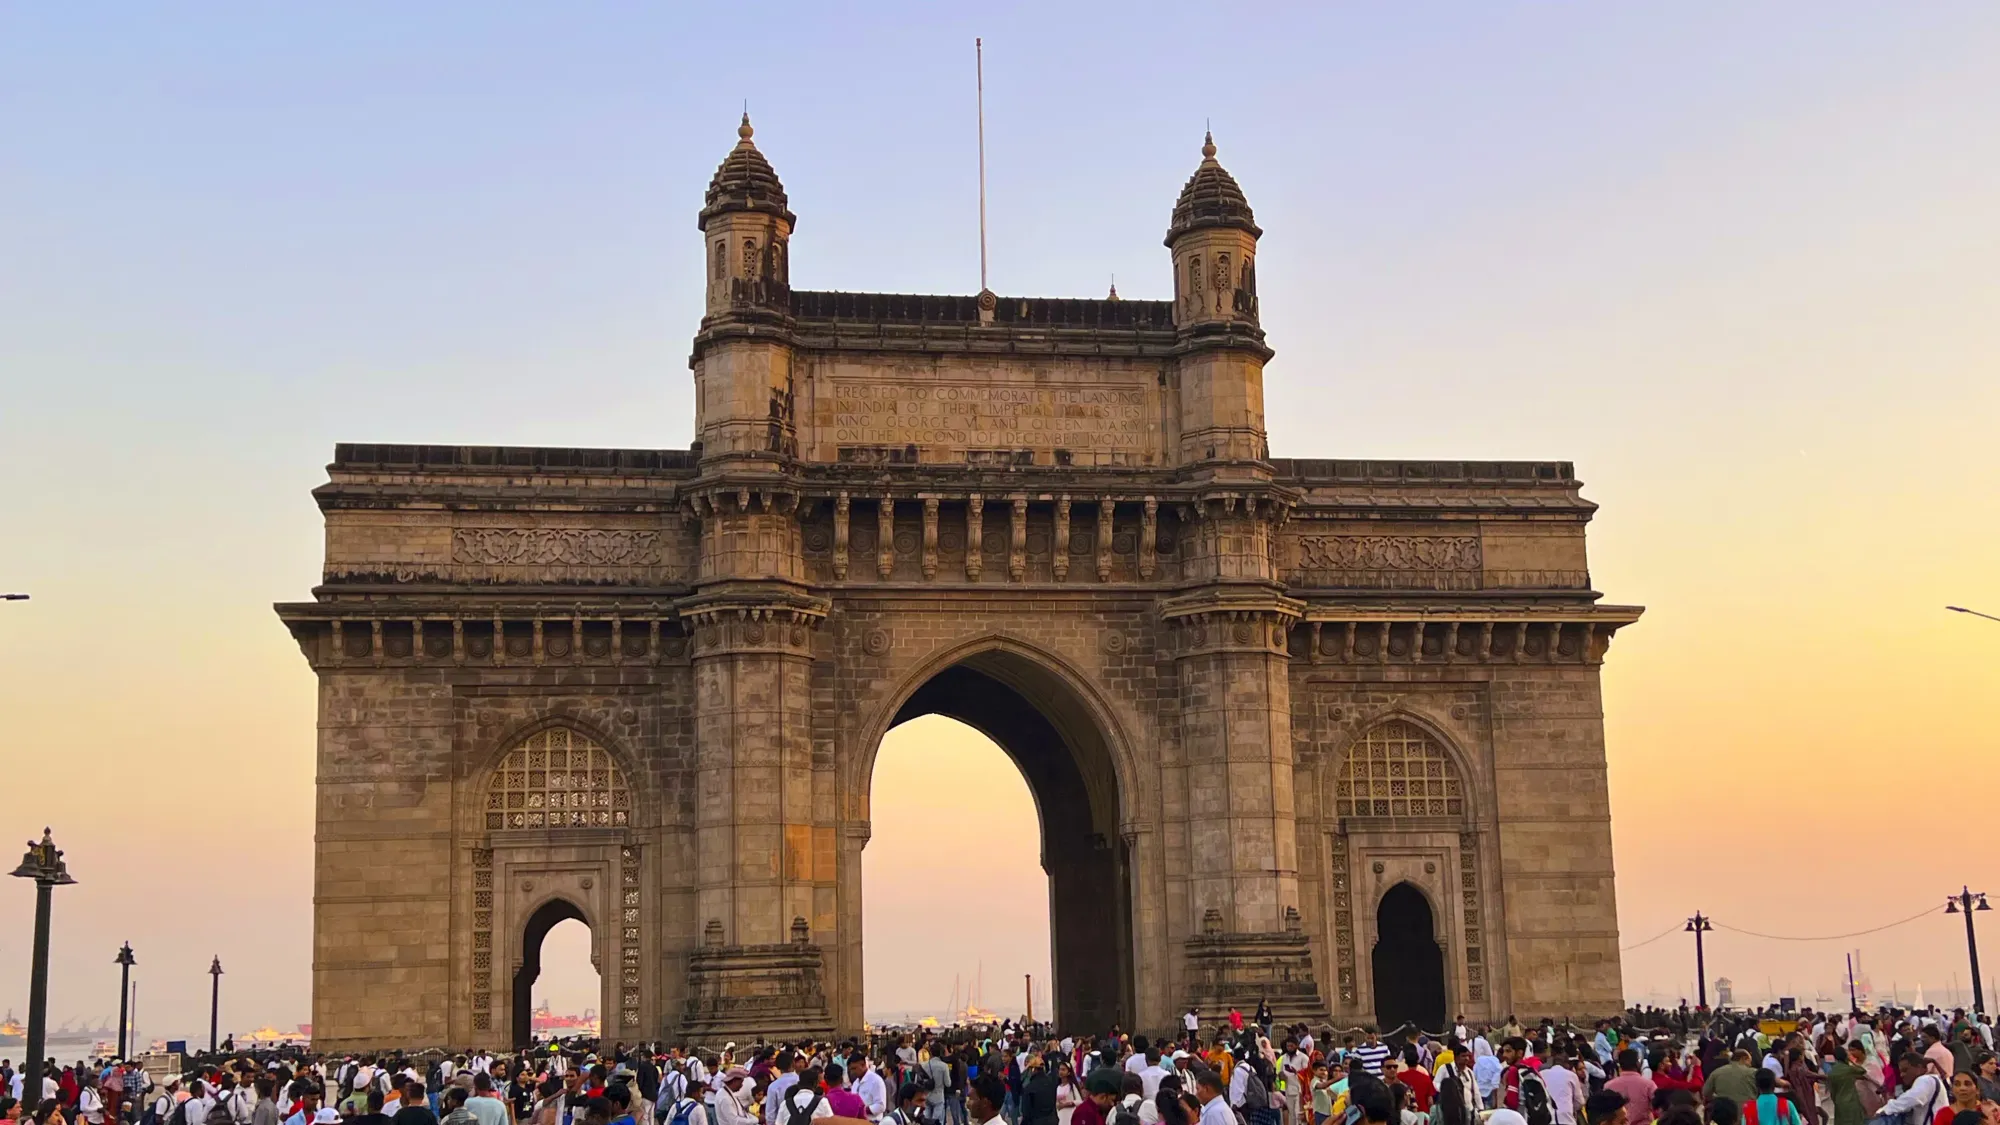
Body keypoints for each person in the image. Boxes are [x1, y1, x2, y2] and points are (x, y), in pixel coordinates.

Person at [1873, 1053, 1947, 1125]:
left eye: (1905, 1070)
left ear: (1919, 1068)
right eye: (1901, 1072)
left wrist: (1883, 1110)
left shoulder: (1926, 1080)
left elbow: (1910, 1099)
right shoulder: (1930, 1080)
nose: (1902, 1075)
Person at [1605, 1052, 1657, 1125]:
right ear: (1637, 1063)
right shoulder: (1648, 1084)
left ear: (1620, 1065)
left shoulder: (1608, 1086)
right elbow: (1657, 1105)